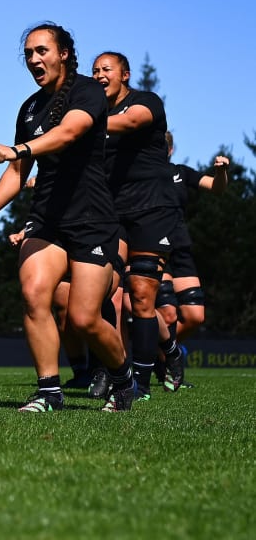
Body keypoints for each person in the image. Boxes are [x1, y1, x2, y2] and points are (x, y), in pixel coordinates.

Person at [0, 22, 137, 412]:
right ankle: (48, 392)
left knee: (84, 318)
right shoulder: (30, 108)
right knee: (34, 293)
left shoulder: (87, 91)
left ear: (63, 54)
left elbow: (69, 132)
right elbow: (17, 173)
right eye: (28, 53)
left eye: (41, 51)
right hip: (46, 219)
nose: (34, 59)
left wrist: (19, 149)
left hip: (91, 218)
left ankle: (124, 377)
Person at [95, 51, 182, 400]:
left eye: (107, 69)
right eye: (95, 70)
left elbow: (131, 123)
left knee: (142, 297)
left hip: (153, 208)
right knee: (100, 289)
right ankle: (109, 370)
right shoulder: (94, 114)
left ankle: (144, 379)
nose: (100, 75)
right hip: (111, 211)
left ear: (125, 75)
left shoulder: (145, 102)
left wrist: (84, 120)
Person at [154, 132, 230, 387]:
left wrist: (220, 172)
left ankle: (161, 353)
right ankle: (165, 362)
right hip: (153, 245)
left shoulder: (181, 172)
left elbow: (216, 188)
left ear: (171, 149)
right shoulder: (139, 172)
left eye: (165, 145)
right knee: (167, 313)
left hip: (181, 248)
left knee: (195, 316)